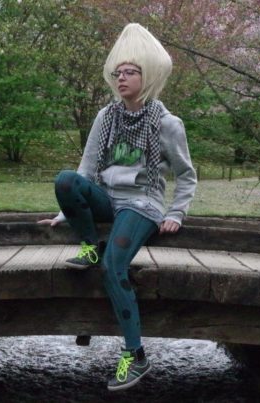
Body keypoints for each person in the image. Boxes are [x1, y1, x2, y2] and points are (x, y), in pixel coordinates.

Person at [38, 22, 196, 391]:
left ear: (147, 76)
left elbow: (186, 175)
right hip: (108, 199)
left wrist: (176, 213)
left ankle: (135, 356)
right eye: (118, 73)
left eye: (130, 72)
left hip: (142, 203)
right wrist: (65, 213)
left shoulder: (167, 124)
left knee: (114, 267)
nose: (121, 78)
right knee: (65, 180)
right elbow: (86, 168)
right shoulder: (106, 116)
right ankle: (90, 246)